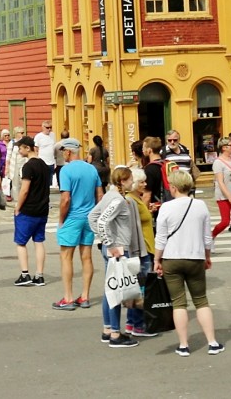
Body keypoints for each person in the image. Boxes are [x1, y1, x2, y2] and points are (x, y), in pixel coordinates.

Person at [154, 169, 224, 357]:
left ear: (173, 187)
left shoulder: (166, 208)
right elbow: (207, 237)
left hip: (171, 258)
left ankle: (184, 345)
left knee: (179, 303)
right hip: (195, 257)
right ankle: (212, 342)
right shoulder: (200, 205)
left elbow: (160, 238)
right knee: (201, 301)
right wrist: (207, 256)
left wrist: (156, 259)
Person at [88, 166, 145, 348]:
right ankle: (114, 332)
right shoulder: (118, 200)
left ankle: (108, 330)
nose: (131, 182)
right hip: (119, 249)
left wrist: (106, 241)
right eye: (129, 180)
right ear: (122, 181)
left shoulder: (109, 196)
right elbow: (102, 220)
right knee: (117, 290)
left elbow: (93, 216)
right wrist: (111, 243)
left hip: (113, 247)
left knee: (110, 288)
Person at [52, 138, 103, 311]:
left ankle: (68, 297)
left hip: (73, 217)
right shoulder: (91, 169)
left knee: (66, 256)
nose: (62, 154)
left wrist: (61, 220)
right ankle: (85, 296)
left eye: (63, 151)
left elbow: (65, 199)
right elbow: (100, 195)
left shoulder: (66, 171)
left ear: (68, 151)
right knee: (86, 256)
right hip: (88, 217)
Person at [124, 170, 158, 338]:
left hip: (145, 247)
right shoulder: (131, 200)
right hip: (142, 248)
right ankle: (138, 324)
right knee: (141, 289)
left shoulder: (136, 199)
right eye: (142, 182)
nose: (145, 184)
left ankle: (131, 323)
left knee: (137, 288)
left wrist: (148, 211)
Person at [12, 136, 48, 287]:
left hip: (28, 209)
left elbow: (25, 190)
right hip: (42, 209)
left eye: (20, 148)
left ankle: (25, 273)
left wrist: (18, 207)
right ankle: (39, 275)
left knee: (21, 243)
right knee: (38, 242)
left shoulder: (28, 167)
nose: (19, 151)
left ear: (28, 148)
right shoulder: (44, 165)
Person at [5, 126, 28, 200]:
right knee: (15, 182)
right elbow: (8, 156)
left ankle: (23, 198)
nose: (22, 134)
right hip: (14, 165)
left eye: (23, 133)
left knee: (23, 181)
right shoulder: (12, 143)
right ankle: (17, 199)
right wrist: (7, 167)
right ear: (16, 133)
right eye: (21, 133)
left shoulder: (25, 142)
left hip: (24, 163)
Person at [35, 121, 56, 186]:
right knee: (43, 180)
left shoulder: (53, 135)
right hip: (42, 161)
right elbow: (36, 149)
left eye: (50, 127)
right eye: (47, 127)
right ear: (43, 127)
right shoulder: (38, 136)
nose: (49, 129)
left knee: (50, 180)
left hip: (51, 161)